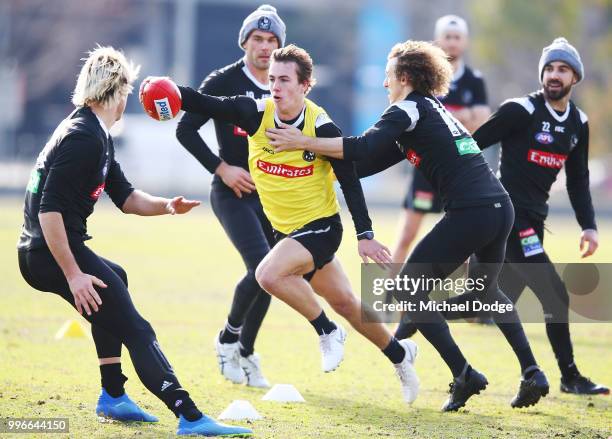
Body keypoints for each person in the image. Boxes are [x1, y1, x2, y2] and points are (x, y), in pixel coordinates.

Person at [266, 40, 550, 411]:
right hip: (499, 207)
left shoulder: (406, 110)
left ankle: (464, 373)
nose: (385, 85)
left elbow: (363, 147)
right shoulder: (429, 110)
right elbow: (364, 164)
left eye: (387, 77)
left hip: (473, 211)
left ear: (403, 78)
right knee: (485, 292)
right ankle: (532, 372)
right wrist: (311, 162)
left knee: (406, 290)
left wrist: (303, 140)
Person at [17, 46, 252, 437]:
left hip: (49, 251)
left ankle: (113, 395)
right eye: (126, 91)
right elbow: (49, 212)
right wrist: (74, 275)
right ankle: (189, 416)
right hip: (49, 253)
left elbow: (125, 197)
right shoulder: (83, 138)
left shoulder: (95, 133)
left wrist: (168, 207)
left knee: (115, 278)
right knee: (137, 330)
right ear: (116, 90)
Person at [166, 44, 420, 404]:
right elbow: (205, 102)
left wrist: (365, 234)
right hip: (286, 231)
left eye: (284, 80)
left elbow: (349, 178)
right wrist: (169, 90)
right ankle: (401, 355)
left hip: (321, 227)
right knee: (347, 303)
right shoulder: (255, 112)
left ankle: (326, 331)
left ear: (305, 85)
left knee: (267, 274)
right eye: (272, 79)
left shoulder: (321, 125)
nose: (276, 86)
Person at [428, 38, 608, 395]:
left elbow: (578, 180)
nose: (554, 75)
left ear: (575, 77)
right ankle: (569, 376)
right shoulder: (521, 109)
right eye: (550, 68)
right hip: (506, 216)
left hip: (533, 223)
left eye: (563, 69)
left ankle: (410, 321)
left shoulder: (578, 122)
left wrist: (588, 225)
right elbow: (472, 144)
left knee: (479, 301)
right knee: (555, 293)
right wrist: (459, 188)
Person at [176, 4, 286, 389]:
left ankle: (247, 351)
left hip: (275, 195)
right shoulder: (222, 81)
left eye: (272, 40)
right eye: (258, 38)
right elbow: (185, 130)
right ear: (244, 41)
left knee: (276, 275)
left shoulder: (285, 83)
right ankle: (227, 339)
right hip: (232, 192)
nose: (265, 46)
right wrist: (222, 168)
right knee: (261, 265)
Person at [392, 15, 493, 268]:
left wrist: (442, 117)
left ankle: (466, 299)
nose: (452, 43)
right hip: (427, 167)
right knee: (406, 235)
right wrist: (463, 116)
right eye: (447, 37)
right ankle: (389, 299)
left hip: (459, 170)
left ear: (465, 42)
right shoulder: (425, 79)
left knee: (467, 242)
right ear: (438, 40)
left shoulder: (474, 80)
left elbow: (482, 120)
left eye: (457, 37)